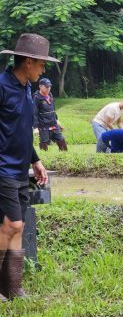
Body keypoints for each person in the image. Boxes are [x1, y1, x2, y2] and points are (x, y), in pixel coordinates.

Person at [0, 33, 55, 301]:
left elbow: (21, 130)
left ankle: (12, 288)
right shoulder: (1, 86)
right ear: (29, 62)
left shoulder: (26, 88)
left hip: (21, 168)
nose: (44, 70)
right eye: (42, 64)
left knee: (17, 227)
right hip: (3, 169)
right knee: (13, 224)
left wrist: (36, 160)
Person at [32, 77, 67, 151]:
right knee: (44, 146)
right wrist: (35, 127)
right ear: (40, 86)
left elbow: (53, 109)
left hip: (54, 124)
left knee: (62, 143)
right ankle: (44, 160)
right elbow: (34, 113)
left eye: (49, 86)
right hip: (43, 126)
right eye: (46, 87)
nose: (48, 88)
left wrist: (57, 120)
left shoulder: (50, 94)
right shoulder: (36, 98)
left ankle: (65, 158)